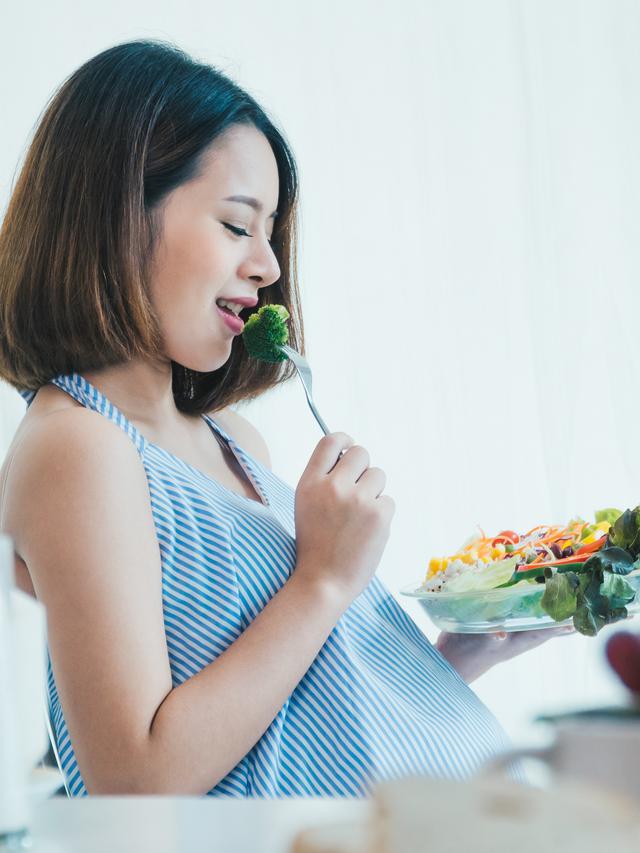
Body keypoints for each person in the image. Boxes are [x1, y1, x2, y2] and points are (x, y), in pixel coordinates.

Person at [0, 39, 570, 797]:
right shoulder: (77, 447)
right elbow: (133, 782)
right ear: (117, 215)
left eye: (270, 231)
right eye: (238, 226)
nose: (269, 266)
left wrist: (453, 657)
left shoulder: (236, 438)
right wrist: (324, 579)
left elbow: (289, 704)